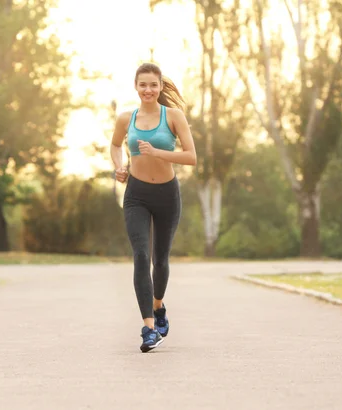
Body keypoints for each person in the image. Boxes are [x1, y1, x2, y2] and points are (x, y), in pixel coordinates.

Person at [110, 63, 197, 353]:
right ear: (136, 87)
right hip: (136, 194)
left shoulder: (173, 116)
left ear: (160, 87)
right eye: (143, 85)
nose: (148, 90)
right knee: (140, 256)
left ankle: (158, 307)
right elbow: (115, 146)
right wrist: (119, 167)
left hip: (166, 195)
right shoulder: (126, 118)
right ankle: (148, 328)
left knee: (160, 260)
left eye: (153, 85)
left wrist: (157, 151)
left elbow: (191, 157)